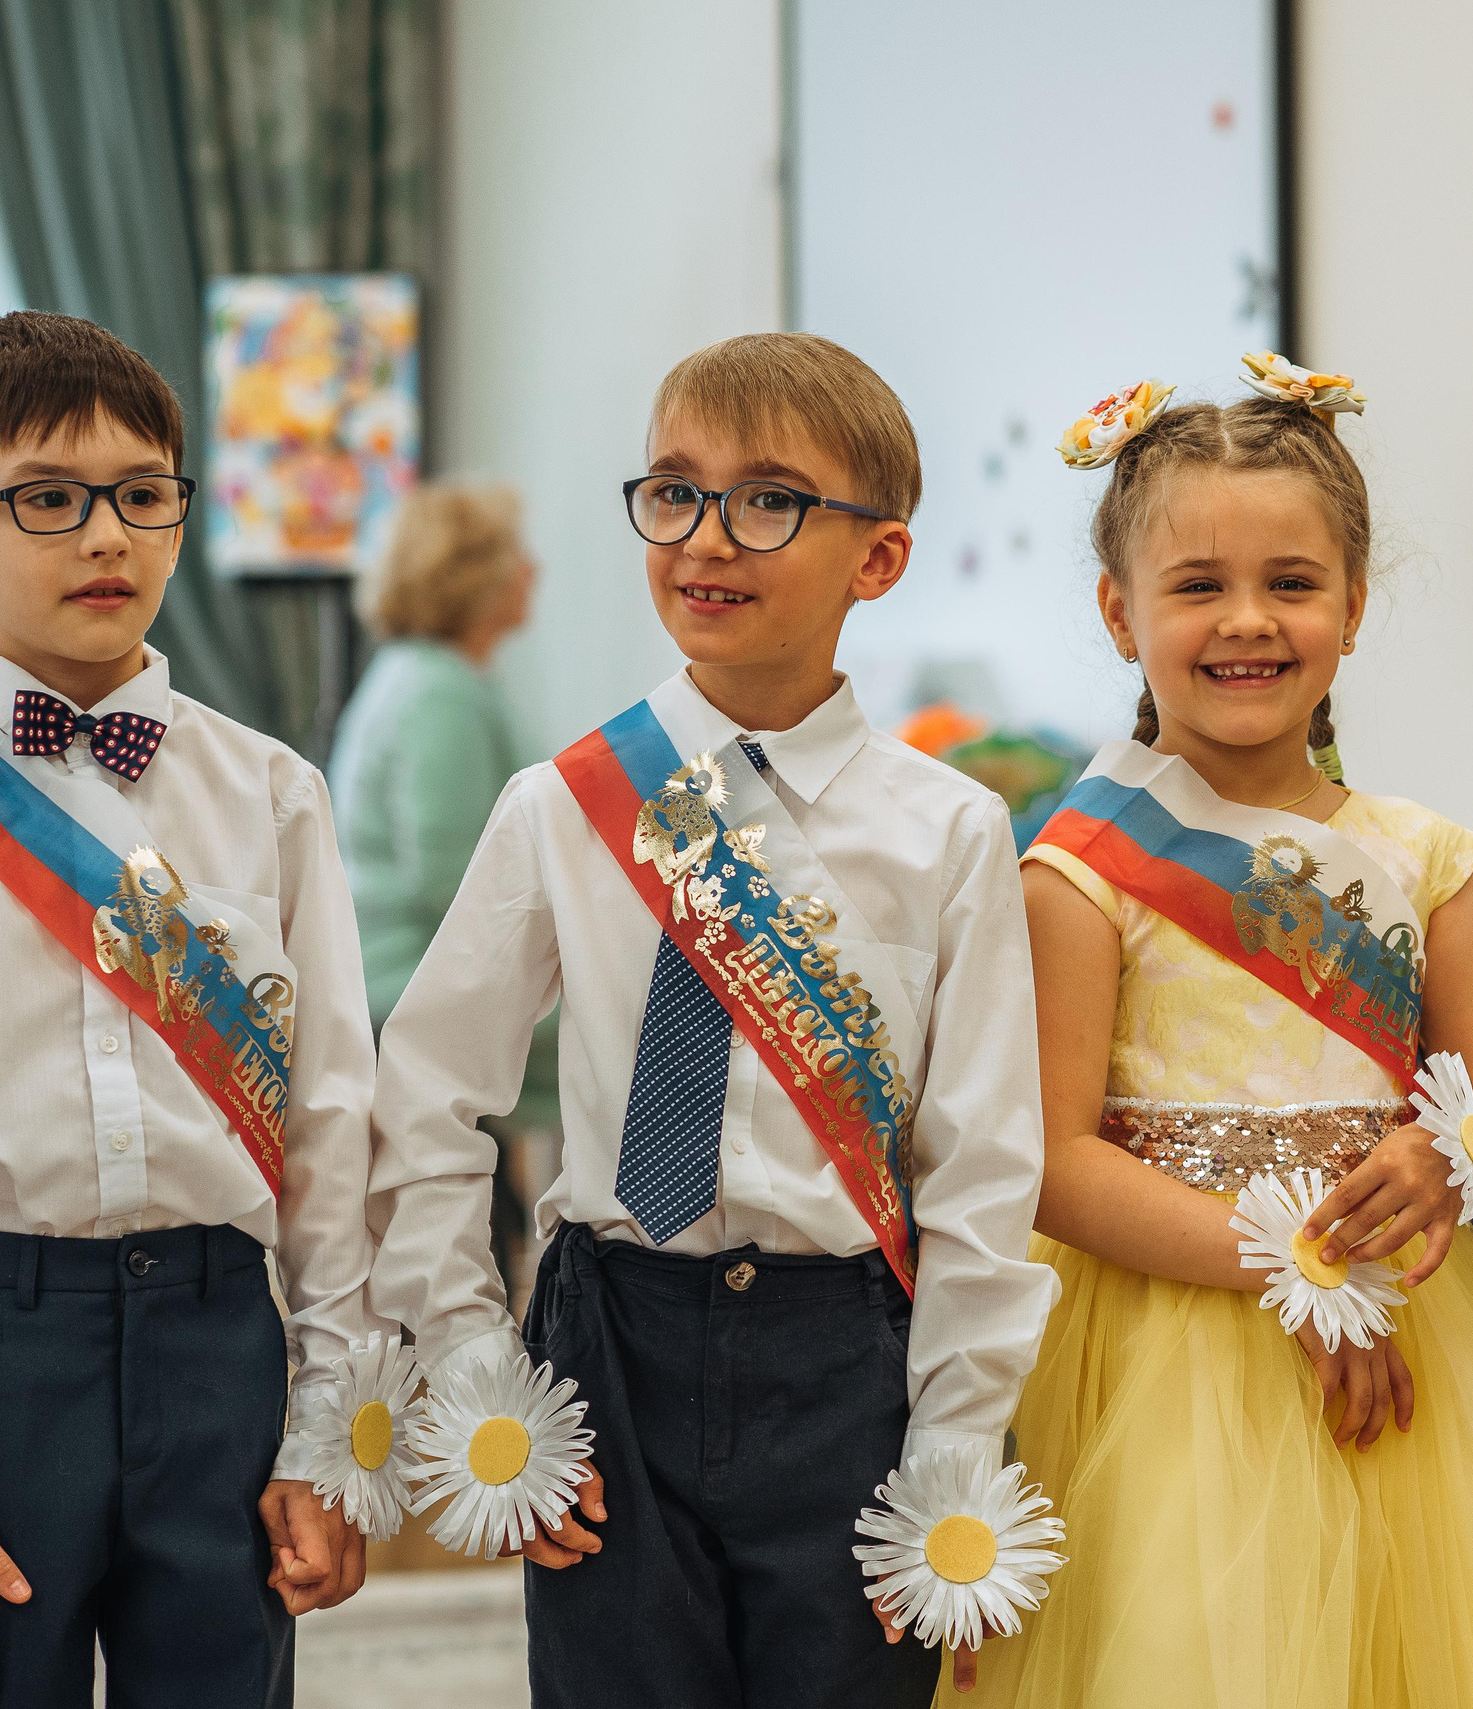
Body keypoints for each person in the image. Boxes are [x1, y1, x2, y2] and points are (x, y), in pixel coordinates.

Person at [962, 365, 1473, 1708]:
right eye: (1198, 586)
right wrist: (1289, 1266)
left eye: (1293, 582)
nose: (1248, 620)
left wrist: (1436, 1163)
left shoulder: (1428, 861)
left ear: (1354, 604)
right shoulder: (1080, 873)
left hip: (1415, 1341)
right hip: (1166, 1353)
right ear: (1119, 611)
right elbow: (1054, 1163)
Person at [361, 332, 1055, 1707]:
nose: (705, 538)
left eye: (769, 498)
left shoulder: (952, 831)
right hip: (611, 1343)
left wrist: (957, 1442)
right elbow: (427, 1093)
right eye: (673, 491)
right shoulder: (564, 804)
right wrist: (476, 1370)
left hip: (848, 1359)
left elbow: (982, 1169)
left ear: (880, 557)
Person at [0, 311, 377, 1704]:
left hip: (217, 1339)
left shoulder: (272, 792)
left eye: (141, 495)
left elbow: (333, 1126)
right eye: (47, 500)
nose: (105, 535)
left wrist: (330, 1434)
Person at [329, 482, 555, 1305]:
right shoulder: (441, 694)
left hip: (395, 984)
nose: (534, 571)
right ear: (476, 577)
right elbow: (455, 883)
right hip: (411, 992)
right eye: (516, 557)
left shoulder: (419, 676)